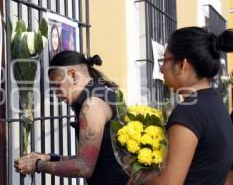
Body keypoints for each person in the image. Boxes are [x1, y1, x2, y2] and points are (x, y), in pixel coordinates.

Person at [128, 27, 233, 185]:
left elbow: (169, 182)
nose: (162, 68)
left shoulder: (189, 112)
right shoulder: (216, 104)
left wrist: (133, 171)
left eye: (164, 60)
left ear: (182, 65)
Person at [14, 50, 129, 184]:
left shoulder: (91, 106)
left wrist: (37, 165)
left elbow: (84, 167)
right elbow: (91, 158)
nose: (57, 95)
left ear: (73, 75)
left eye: (58, 86)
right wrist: (48, 158)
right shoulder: (104, 92)